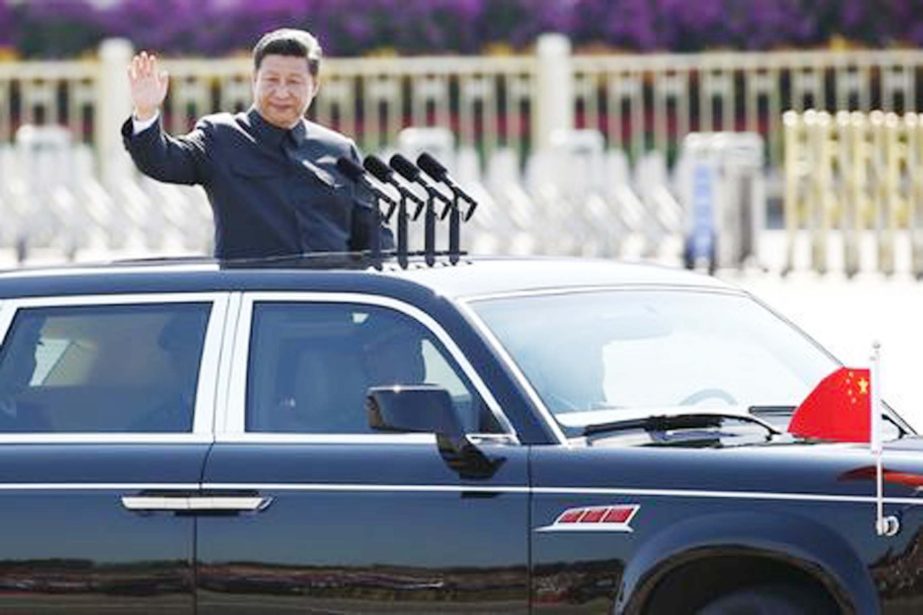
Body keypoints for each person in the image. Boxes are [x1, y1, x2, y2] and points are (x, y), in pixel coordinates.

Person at [122, 28, 393, 259]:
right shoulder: (220, 137)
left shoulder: (339, 150)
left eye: (295, 82)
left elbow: (373, 237)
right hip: (256, 305)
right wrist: (146, 113)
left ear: (314, 86)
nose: (282, 93)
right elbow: (163, 161)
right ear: (255, 81)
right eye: (271, 80)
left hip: (329, 308)